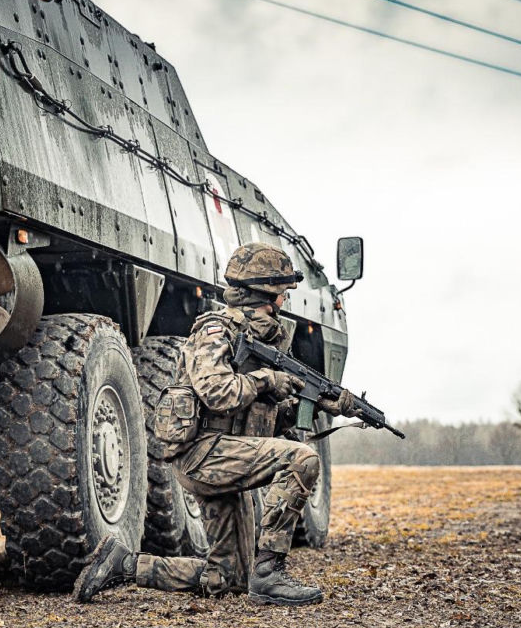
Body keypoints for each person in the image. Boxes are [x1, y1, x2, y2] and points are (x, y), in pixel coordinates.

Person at [74, 242, 358, 606]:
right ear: (267, 294)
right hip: (203, 456)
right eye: (284, 293)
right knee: (302, 460)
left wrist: (315, 405)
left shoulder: (257, 339)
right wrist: (267, 382)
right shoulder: (216, 330)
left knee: (228, 578)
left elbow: (262, 424)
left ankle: (123, 565)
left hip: (223, 454)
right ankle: (270, 573)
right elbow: (218, 393)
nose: (285, 301)